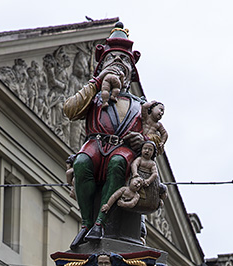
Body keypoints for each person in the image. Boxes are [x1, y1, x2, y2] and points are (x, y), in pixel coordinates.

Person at [63, 23, 165, 248]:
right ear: (102, 67)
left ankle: (101, 222)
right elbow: (70, 110)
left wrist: (146, 142)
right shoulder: (95, 97)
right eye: (112, 59)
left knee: (119, 163)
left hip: (122, 149)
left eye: (124, 61)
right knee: (81, 163)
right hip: (96, 143)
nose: (118, 64)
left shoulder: (141, 106)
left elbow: (157, 136)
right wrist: (98, 83)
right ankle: (86, 223)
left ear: (131, 72)